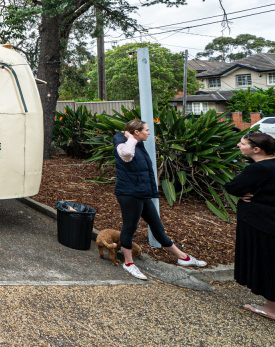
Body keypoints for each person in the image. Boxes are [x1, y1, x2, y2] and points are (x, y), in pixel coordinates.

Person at [113, 119, 207, 280]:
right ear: (136, 132)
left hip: (141, 192)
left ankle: (182, 257)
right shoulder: (123, 144)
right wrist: (130, 139)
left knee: (157, 227)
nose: (149, 133)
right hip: (129, 194)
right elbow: (127, 155)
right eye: (147, 130)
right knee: (130, 227)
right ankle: (128, 263)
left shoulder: (137, 144)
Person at [224, 131, 275, 321]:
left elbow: (232, 186)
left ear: (256, 149)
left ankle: (272, 309)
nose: (239, 145)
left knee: (267, 263)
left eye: (242, 143)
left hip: (261, 222)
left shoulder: (258, 168)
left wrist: (242, 192)